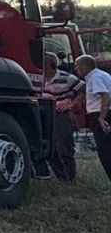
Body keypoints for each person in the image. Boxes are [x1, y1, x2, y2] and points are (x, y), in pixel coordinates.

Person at [73, 55, 111, 185]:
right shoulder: (102, 75)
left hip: (100, 114)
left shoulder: (95, 77)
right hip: (105, 113)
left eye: (77, 65)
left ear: (85, 66)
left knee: (104, 149)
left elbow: (105, 96)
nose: (76, 68)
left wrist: (101, 117)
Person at [41, 52, 78, 182]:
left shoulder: (67, 78)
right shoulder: (39, 78)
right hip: (44, 115)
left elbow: (82, 90)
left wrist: (71, 105)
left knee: (64, 146)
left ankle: (69, 177)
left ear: (50, 64)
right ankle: (59, 176)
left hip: (60, 115)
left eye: (43, 63)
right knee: (51, 147)